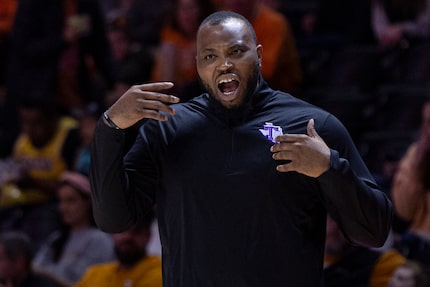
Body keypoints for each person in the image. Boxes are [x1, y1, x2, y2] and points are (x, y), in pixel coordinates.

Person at [89, 11, 392, 286]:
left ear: (258, 55)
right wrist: (110, 128)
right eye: (210, 56)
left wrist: (331, 169)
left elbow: (372, 233)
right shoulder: (167, 129)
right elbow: (113, 219)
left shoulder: (312, 126)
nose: (224, 64)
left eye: (236, 51)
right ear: (198, 65)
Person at [0, 98, 80, 249]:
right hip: (23, 203)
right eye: (25, 122)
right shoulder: (21, 142)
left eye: (36, 123)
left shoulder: (69, 137)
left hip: (54, 204)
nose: (29, 129)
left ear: (52, 121)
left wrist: (34, 182)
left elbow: (76, 188)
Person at [32, 171, 115, 286]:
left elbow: (87, 281)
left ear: (88, 202)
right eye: (61, 201)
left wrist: (46, 275)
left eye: (71, 200)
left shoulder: (99, 239)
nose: (63, 208)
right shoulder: (56, 238)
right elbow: (36, 269)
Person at [217, 0, 303, 95]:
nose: (236, 2)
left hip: (277, 93)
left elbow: (266, 70)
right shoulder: (220, 22)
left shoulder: (274, 23)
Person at [74, 210, 162, 287]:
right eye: (122, 230)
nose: (127, 237)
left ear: (148, 235)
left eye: (137, 231)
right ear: (113, 233)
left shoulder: (157, 273)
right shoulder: (95, 273)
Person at [151, 0, 215, 100]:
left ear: (201, 10)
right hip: (171, 90)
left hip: (200, 90)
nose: (187, 15)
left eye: (191, 8)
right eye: (183, 9)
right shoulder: (170, 35)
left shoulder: (210, 34)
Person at [391, 101, 430, 267]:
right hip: (421, 248)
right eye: (427, 123)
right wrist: (419, 165)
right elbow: (404, 211)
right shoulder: (415, 155)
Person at [324, 215, 406, 287]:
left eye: (340, 222)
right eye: (329, 219)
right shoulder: (315, 257)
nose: (330, 230)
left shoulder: (383, 264)